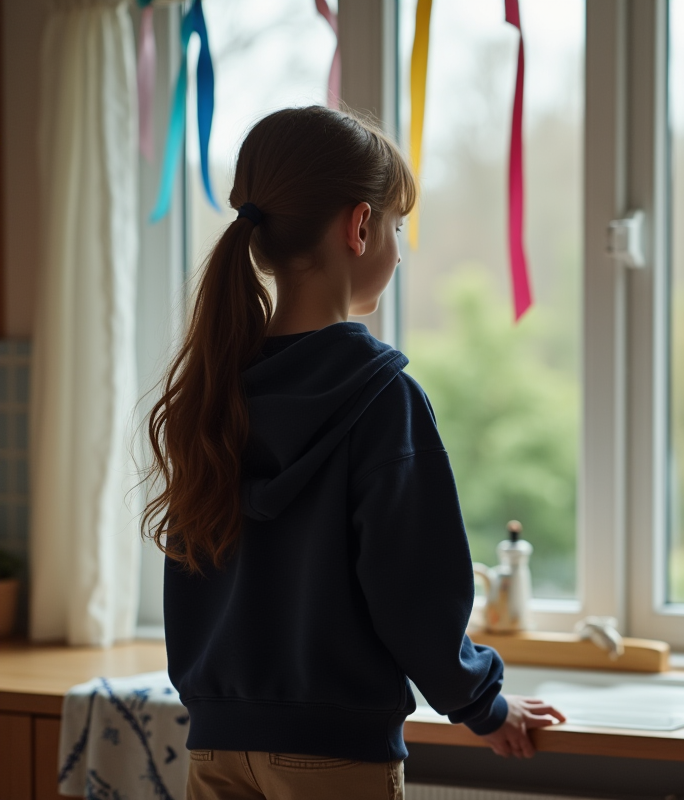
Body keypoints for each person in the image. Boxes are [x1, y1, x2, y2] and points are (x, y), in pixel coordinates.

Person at [144, 106, 565, 800]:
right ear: (359, 225)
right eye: (398, 228)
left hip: (216, 746)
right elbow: (416, 596)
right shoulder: (381, 398)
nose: (399, 248)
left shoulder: (214, 389)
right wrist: (484, 706)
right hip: (336, 758)